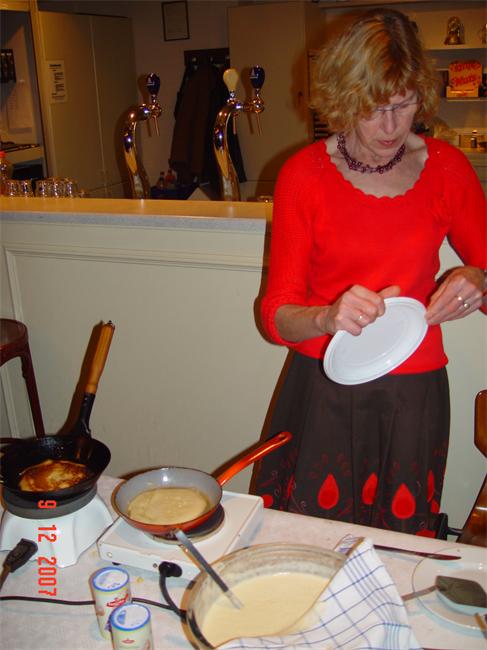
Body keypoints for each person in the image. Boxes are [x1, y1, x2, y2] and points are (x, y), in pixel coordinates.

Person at [253, 8, 487, 535]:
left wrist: (478, 279)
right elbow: (276, 314)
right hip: (323, 386)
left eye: (404, 105)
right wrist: (325, 317)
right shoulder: (303, 176)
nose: (391, 127)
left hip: (415, 391)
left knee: (398, 545)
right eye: (374, 108)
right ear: (344, 98)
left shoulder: (447, 170)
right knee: (311, 541)